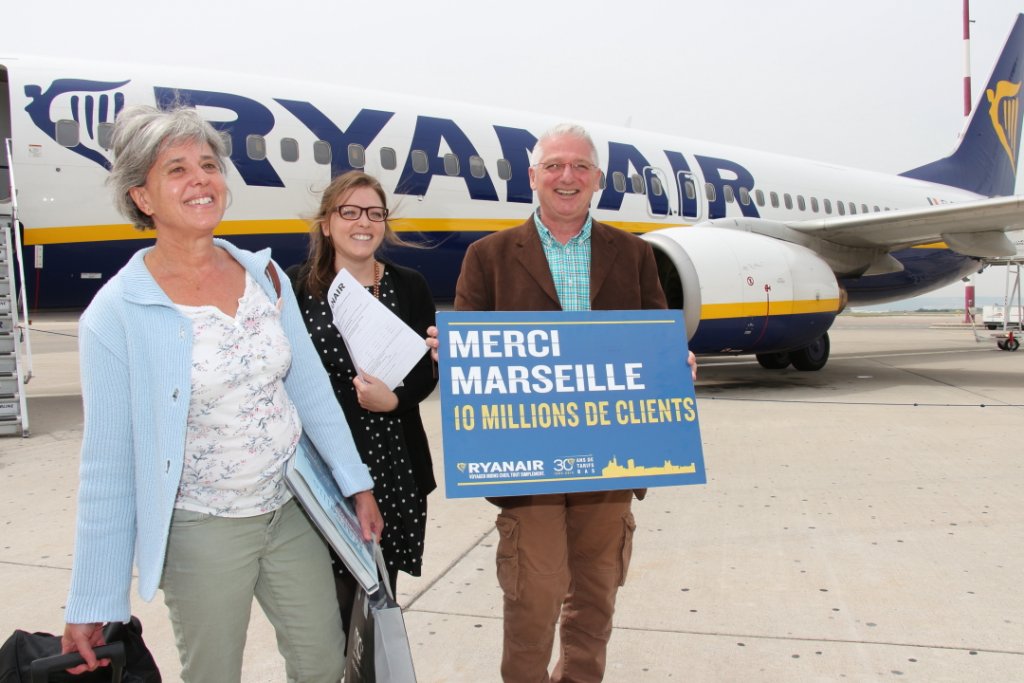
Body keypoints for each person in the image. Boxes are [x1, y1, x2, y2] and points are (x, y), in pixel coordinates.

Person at [60, 105, 384, 683]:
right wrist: (93, 600)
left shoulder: (264, 277)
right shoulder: (117, 314)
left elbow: (309, 392)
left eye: (208, 165)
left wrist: (355, 482)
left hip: (291, 509)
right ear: (143, 197)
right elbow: (107, 467)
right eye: (177, 169)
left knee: (322, 662)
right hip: (202, 526)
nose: (201, 179)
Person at [438, 123, 696, 683]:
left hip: (612, 456)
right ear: (532, 177)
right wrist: (453, 354)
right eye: (554, 165)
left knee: (597, 591)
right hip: (529, 459)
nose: (567, 177)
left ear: (598, 179)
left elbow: (656, 339)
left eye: (580, 166)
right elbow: (469, 350)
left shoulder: (632, 255)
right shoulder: (489, 257)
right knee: (535, 592)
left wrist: (675, 364)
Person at [286, 170, 437, 633]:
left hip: (392, 465)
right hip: (323, 466)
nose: (363, 222)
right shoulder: (296, 287)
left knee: (373, 607)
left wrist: (394, 399)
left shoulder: (410, 286)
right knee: (325, 609)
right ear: (327, 223)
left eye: (374, 213)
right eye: (349, 211)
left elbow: (425, 373)